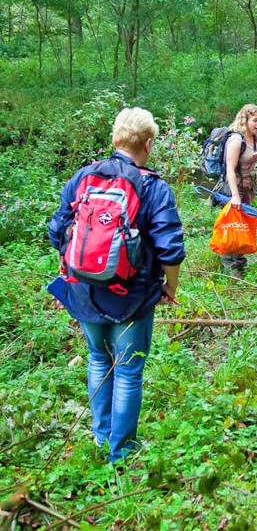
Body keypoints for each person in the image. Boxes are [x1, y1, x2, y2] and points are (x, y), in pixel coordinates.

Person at [47, 107, 185, 462]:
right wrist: (170, 287)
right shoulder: (153, 186)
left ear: (115, 138)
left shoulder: (83, 177)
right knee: (127, 370)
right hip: (132, 297)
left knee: (97, 358)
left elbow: (55, 231)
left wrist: (78, 267)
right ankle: (120, 452)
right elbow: (171, 250)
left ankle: (101, 435)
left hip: (84, 291)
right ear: (149, 144)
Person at [221, 104, 257, 277]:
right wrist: (234, 196)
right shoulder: (236, 140)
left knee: (243, 227)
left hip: (247, 188)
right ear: (244, 120)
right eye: (255, 120)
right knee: (232, 227)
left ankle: (240, 263)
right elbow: (229, 170)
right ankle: (230, 269)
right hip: (233, 188)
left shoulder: (253, 138)